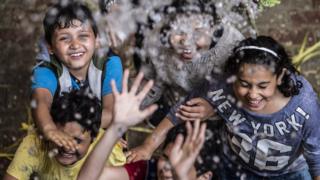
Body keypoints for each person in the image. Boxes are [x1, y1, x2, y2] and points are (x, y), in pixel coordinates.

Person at [173, 36, 320, 179]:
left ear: (280, 76)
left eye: (263, 86)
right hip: (234, 163)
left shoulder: (304, 105)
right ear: (233, 76)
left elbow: (316, 155)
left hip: (289, 172)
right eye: (244, 84)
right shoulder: (222, 83)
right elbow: (184, 105)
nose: (253, 95)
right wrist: (150, 144)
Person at [127, 0, 244, 162]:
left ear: (213, 26)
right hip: (174, 109)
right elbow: (149, 84)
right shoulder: (154, 42)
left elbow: (249, 94)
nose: (187, 42)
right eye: (179, 32)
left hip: (224, 117)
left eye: (197, 32)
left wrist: (218, 107)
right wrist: (120, 120)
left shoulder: (233, 45)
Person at [77, 70, 218, 179]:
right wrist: (115, 128)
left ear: (205, 177)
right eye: (165, 158)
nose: (166, 170)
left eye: (178, 166)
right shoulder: (148, 171)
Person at [31, 2, 124, 159]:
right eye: (64, 38)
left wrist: (82, 131)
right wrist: (49, 129)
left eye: (83, 36)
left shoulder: (110, 63)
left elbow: (112, 113)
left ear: (97, 40)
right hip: (60, 133)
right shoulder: (46, 69)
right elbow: (40, 102)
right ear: (50, 47)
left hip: (99, 131)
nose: (75, 45)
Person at [4, 88, 116, 179]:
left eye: (77, 140)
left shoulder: (108, 152)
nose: (67, 147)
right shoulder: (35, 144)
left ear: (93, 139)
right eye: (61, 137)